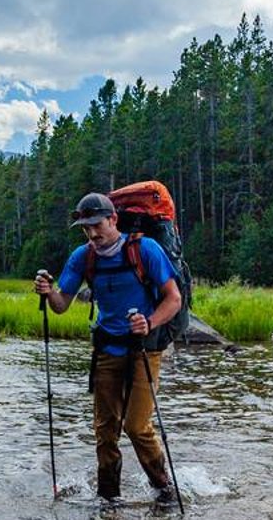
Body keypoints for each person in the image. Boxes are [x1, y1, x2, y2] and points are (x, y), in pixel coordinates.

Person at [33, 192, 184, 503]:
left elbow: (174, 299)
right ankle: (108, 498)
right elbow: (62, 305)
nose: (92, 233)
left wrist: (150, 322)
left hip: (143, 349)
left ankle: (164, 489)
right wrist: (48, 292)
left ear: (113, 219)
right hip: (106, 351)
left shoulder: (145, 249)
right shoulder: (83, 257)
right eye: (85, 228)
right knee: (105, 431)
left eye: (96, 225)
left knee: (137, 426)